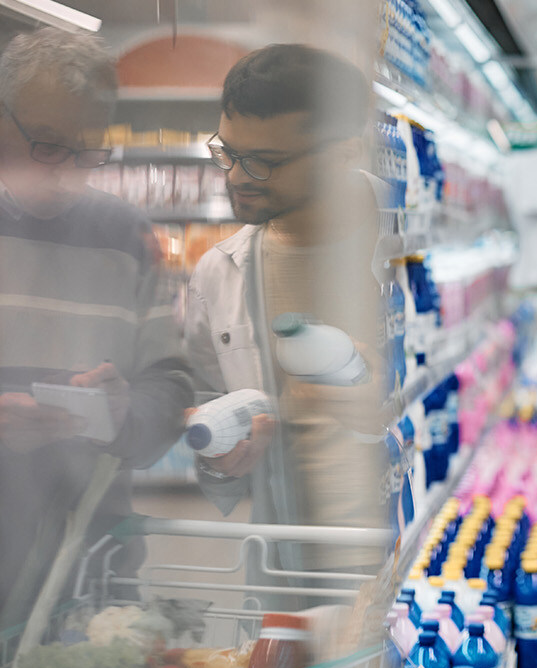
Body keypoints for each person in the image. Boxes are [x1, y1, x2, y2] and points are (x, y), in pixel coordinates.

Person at [0, 28, 192, 623]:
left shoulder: (126, 237)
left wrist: (123, 410)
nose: (67, 172)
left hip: (87, 569)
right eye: (48, 145)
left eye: (88, 151)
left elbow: (172, 386)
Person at [184, 44, 388, 575]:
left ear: (345, 152)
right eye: (226, 152)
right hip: (285, 571)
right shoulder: (217, 275)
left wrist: (396, 409)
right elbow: (215, 437)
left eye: (264, 163)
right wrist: (221, 461)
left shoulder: (416, 244)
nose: (235, 176)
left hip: (414, 566)